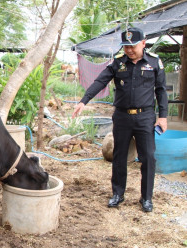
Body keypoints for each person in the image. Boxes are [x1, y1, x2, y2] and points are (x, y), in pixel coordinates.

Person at [72, 27, 168, 212]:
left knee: (148, 157)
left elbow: (161, 91)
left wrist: (162, 117)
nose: (129, 50)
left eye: (132, 46)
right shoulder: (118, 63)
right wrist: (84, 101)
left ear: (143, 43)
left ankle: (146, 198)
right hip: (122, 117)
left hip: (145, 117)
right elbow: (100, 81)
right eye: (125, 47)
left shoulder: (154, 63)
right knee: (119, 156)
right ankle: (118, 194)